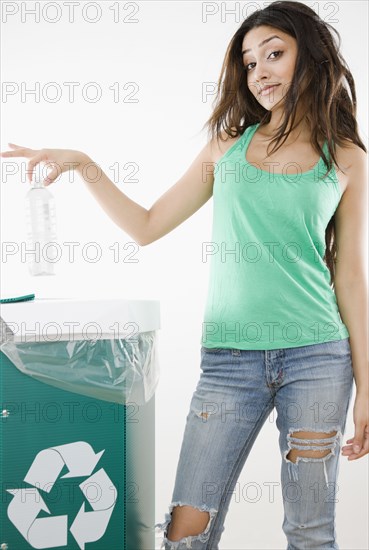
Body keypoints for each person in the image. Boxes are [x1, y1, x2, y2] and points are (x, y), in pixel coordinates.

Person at [1, 1, 367, 548]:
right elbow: (147, 226)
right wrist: (82, 162)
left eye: (274, 54)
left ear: (310, 58)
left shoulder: (345, 158)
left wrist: (368, 385)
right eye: (248, 63)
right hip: (228, 362)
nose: (259, 71)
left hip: (319, 357)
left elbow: (351, 274)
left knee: (310, 530)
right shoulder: (228, 147)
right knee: (185, 531)